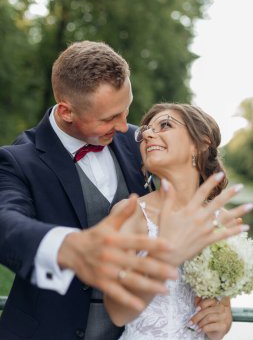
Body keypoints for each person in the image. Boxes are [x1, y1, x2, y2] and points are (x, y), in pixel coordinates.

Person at [0, 41, 249, 340]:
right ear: (67, 112)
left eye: (126, 111)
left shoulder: (139, 141)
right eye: (108, 118)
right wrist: (67, 246)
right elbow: (6, 226)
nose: (126, 128)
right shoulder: (17, 160)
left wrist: (223, 313)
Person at [105, 103, 253, 340]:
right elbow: (118, 313)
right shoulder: (129, 213)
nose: (148, 134)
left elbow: (222, 307)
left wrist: (222, 321)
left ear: (202, 143)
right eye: (144, 132)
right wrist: (164, 257)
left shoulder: (222, 219)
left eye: (165, 125)